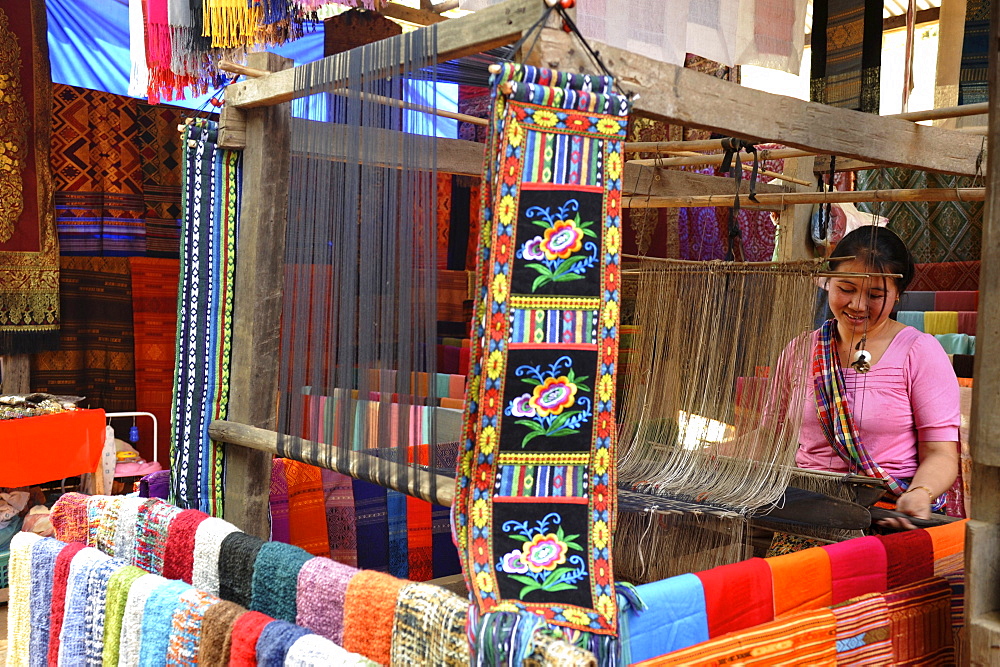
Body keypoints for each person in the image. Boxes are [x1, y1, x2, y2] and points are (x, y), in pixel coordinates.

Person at [795, 225, 960, 530]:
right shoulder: (801, 351)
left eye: (875, 295)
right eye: (846, 288)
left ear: (897, 295)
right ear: (827, 282)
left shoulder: (919, 353)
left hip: (886, 513)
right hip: (807, 511)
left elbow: (941, 453)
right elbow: (771, 436)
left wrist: (920, 492)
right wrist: (707, 458)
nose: (857, 305)